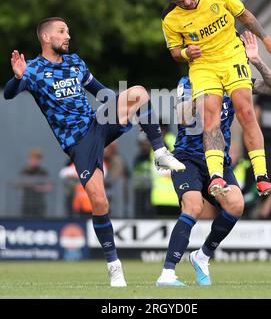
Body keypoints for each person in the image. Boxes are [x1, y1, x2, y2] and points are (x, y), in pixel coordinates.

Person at [3, 17, 185, 287]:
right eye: (62, 31)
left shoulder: (76, 62)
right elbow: (8, 94)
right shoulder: (33, 70)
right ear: (45, 37)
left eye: (68, 31)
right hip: (78, 144)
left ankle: (160, 152)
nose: (68, 36)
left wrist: (123, 111)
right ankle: (114, 266)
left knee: (137, 93)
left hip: (97, 125)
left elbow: (101, 93)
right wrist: (18, 78)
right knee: (99, 203)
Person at [156, 32, 271, 286]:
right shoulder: (191, 79)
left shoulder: (238, 81)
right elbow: (182, 117)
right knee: (193, 206)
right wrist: (203, 93)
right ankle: (168, 272)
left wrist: (255, 60)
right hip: (187, 157)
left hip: (218, 160)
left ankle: (202, 257)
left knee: (236, 205)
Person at [161, 0, 271, 198]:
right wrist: (185, 52)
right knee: (211, 118)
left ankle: (261, 177)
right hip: (203, 66)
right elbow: (174, 52)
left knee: (247, 111)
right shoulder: (170, 18)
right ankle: (216, 177)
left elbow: (245, 16)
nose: (187, 3)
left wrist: (266, 40)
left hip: (232, 57)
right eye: (180, 2)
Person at [19, 148, 52, 217]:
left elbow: (49, 187)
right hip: (26, 204)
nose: (34, 161)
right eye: (33, 159)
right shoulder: (25, 171)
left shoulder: (43, 172)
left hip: (39, 204)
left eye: (37, 159)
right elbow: (23, 183)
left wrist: (37, 187)